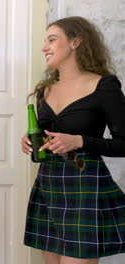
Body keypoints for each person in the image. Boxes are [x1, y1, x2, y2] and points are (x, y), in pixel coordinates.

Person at [22, 16, 125, 264]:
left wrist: (80, 141)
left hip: (85, 186)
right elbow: (47, 138)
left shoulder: (104, 86)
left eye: (52, 40)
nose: (44, 47)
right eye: (44, 41)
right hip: (48, 186)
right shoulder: (44, 91)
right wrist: (28, 140)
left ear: (76, 42)